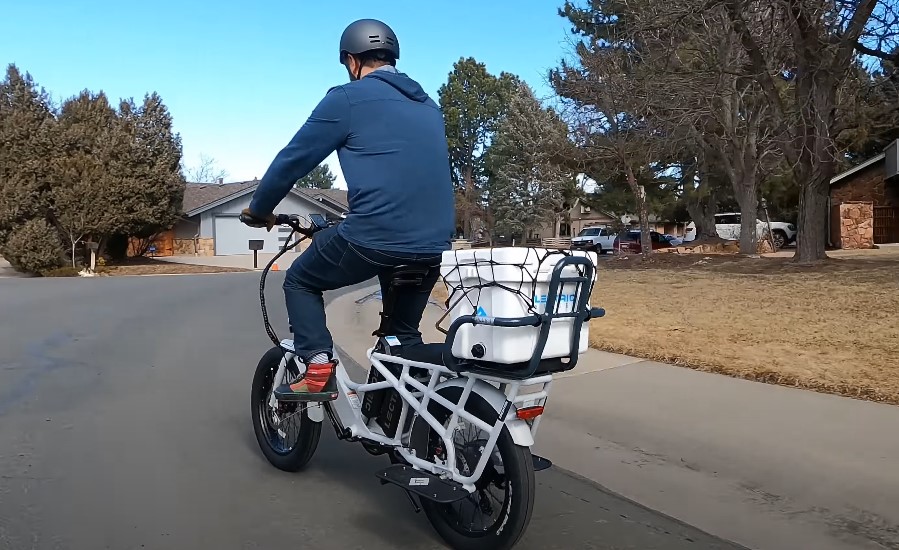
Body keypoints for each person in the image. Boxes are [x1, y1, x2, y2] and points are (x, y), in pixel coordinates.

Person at [240, 18, 455, 402]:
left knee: (301, 280)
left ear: (352, 61)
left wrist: (259, 210)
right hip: (432, 245)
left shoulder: (346, 98)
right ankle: (403, 418)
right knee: (402, 337)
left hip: (373, 238)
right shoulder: (429, 106)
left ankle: (318, 364)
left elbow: (292, 160)